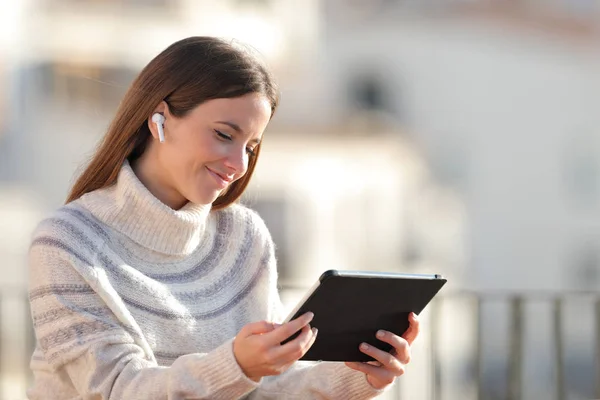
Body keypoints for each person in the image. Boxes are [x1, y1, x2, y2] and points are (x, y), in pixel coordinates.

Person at [26, 36, 420, 399]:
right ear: (159, 119)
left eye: (250, 146)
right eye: (223, 134)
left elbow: (265, 388)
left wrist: (360, 377)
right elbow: (116, 389)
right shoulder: (67, 243)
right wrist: (237, 364)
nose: (238, 165)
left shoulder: (244, 237)